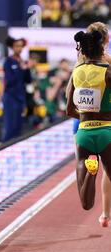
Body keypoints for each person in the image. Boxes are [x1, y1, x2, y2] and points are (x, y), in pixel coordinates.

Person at [69, 22, 111, 227]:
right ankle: (106, 215)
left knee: (86, 203)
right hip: (107, 132)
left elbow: (69, 110)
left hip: (83, 134)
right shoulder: (108, 69)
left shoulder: (76, 71)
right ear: (102, 46)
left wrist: (86, 112)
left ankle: (91, 172)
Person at [2, 36, 33, 142]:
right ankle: (4, 148)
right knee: (10, 127)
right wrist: (20, 69)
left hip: (21, 98)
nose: (19, 49)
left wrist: (27, 69)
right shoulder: (8, 62)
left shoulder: (23, 62)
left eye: (21, 46)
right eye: (17, 46)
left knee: (18, 127)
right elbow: (9, 81)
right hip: (10, 98)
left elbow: (28, 80)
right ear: (12, 47)